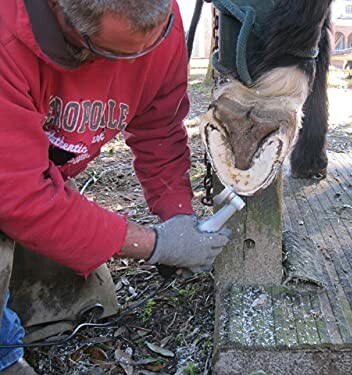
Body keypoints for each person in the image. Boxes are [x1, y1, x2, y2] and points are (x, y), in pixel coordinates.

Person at [0, 0, 230, 373]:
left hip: (34, 177)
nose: (130, 71)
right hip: (10, 183)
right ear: (58, 10)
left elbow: (159, 124)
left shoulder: (158, 20)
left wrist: (178, 217)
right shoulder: (7, 36)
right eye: (108, 53)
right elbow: (18, 196)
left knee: (83, 304)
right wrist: (154, 246)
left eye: (146, 51)